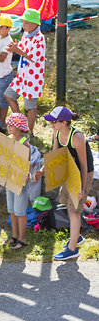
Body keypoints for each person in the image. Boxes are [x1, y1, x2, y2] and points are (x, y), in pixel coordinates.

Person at [34, 107, 94, 260]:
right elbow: (54, 156)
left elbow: (84, 165)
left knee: (75, 211)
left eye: (54, 121)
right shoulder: (57, 133)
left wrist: (82, 189)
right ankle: (77, 237)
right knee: (68, 205)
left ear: (64, 122)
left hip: (82, 174)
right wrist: (42, 170)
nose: (51, 123)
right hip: (69, 173)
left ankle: (72, 249)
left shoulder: (77, 138)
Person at [0, 113, 31, 249]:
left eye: (12, 125)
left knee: (20, 211)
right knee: (12, 209)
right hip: (8, 179)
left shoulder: (25, 144)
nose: (8, 127)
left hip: (19, 181)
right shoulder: (7, 139)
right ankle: (14, 235)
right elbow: (0, 158)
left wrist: (26, 176)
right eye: (8, 124)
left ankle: (22, 238)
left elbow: (26, 165)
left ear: (19, 127)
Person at [4, 8, 46, 136]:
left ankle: (29, 132)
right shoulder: (26, 34)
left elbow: (33, 57)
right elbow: (21, 48)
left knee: (31, 107)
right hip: (23, 76)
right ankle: (22, 123)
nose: (23, 25)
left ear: (35, 24)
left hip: (33, 79)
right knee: (8, 95)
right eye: (23, 22)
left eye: (26, 23)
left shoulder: (40, 37)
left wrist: (17, 50)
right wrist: (14, 48)